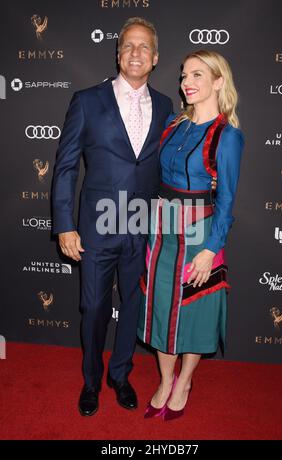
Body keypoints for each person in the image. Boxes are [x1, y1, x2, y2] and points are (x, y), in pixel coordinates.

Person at [51, 17, 173, 416]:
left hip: (142, 222)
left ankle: (120, 375)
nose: (135, 53)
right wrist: (65, 224)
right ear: (118, 53)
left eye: (143, 47)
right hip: (96, 226)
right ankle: (91, 380)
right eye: (128, 46)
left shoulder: (168, 106)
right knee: (93, 308)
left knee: (134, 305)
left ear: (155, 58)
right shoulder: (87, 100)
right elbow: (66, 166)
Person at [137, 50, 244, 421]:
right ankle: (165, 380)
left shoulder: (227, 136)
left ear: (218, 81)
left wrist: (211, 249)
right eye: (184, 75)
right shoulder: (172, 123)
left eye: (198, 75)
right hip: (161, 230)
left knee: (193, 312)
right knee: (161, 310)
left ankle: (184, 381)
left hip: (199, 235)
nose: (187, 82)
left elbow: (227, 200)